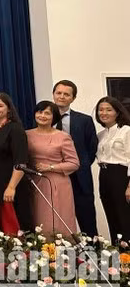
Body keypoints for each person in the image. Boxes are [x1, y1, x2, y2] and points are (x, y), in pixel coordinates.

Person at [0, 93, 33, 231]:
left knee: (13, 227)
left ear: (9, 109)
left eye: (0, 105)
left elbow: (21, 162)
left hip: (11, 185)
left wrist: (11, 187)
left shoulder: (15, 129)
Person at [53, 80, 99, 237]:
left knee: (87, 219)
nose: (62, 97)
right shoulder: (43, 118)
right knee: (57, 219)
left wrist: (79, 166)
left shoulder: (84, 120)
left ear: (73, 98)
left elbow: (91, 148)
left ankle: (94, 253)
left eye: (66, 94)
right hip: (52, 176)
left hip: (80, 177)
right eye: (59, 93)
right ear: (53, 95)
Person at [27, 100, 79, 236]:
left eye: (47, 113)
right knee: (35, 219)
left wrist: (50, 167)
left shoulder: (63, 137)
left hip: (56, 184)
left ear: (54, 117)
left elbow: (74, 163)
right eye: (39, 112)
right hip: (33, 182)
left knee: (56, 221)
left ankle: (62, 254)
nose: (42, 115)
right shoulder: (26, 134)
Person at [94, 96, 130, 244]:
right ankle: (118, 254)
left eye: (109, 109)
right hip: (105, 175)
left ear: (117, 112)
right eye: (101, 110)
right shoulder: (101, 134)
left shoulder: (126, 130)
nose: (104, 113)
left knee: (125, 216)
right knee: (111, 215)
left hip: (121, 176)